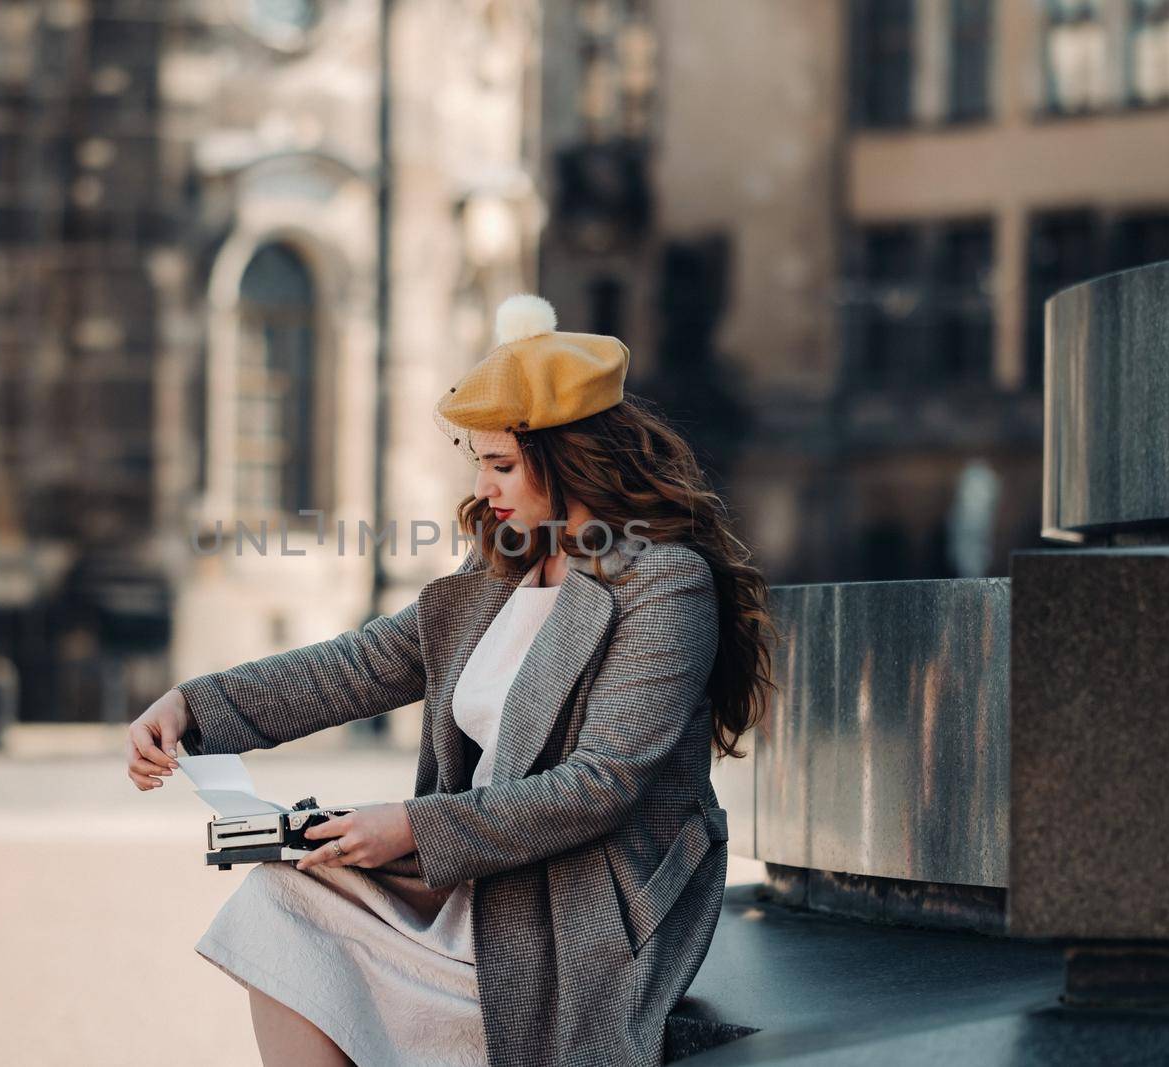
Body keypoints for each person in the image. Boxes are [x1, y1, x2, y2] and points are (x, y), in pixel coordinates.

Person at [127, 294, 776, 1067]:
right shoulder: (501, 565)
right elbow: (363, 664)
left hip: (585, 913)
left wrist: (410, 825)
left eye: (501, 463)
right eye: (479, 461)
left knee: (297, 911)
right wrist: (196, 708)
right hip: (481, 880)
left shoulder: (665, 583)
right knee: (276, 902)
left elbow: (600, 785)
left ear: (571, 457)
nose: (485, 484)